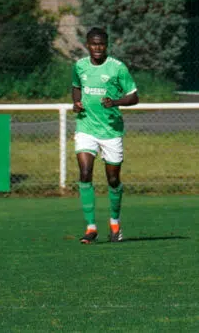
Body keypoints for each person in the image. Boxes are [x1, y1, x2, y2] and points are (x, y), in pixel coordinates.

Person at [71, 27, 139, 244]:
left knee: (112, 179)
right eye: (93, 43)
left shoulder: (117, 68)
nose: (97, 47)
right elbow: (76, 87)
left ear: (106, 45)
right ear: (87, 44)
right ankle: (91, 228)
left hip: (111, 131)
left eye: (101, 44)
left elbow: (134, 97)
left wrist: (115, 102)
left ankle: (115, 223)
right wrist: (77, 103)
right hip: (86, 128)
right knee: (84, 172)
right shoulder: (80, 66)